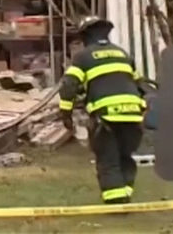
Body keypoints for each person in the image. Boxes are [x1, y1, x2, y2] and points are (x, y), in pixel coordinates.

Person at [59, 16, 147, 204]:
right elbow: (140, 85)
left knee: (108, 159)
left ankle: (116, 202)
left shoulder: (83, 57)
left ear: (85, 36)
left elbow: (68, 86)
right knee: (125, 157)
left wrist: (65, 113)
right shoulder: (123, 54)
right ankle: (125, 194)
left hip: (105, 117)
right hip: (132, 114)